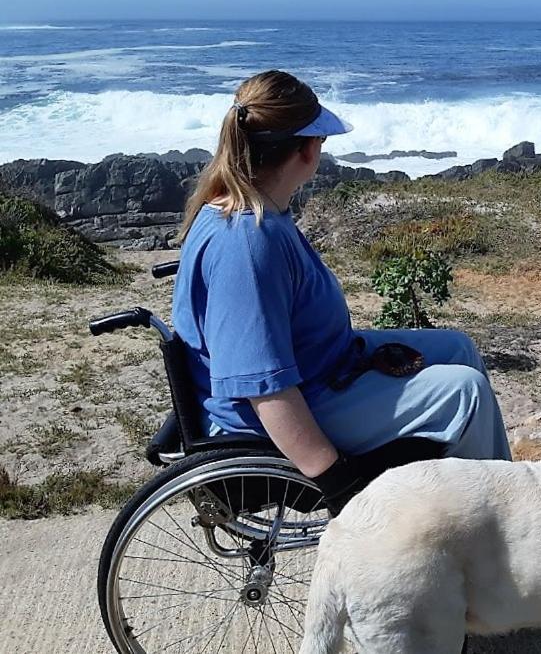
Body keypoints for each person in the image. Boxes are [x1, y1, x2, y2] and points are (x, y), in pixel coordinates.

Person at [172, 70, 511, 507]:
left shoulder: (256, 211)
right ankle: (495, 527)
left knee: (458, 348)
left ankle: (480, 498)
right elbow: (265, 389)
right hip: (285, 410)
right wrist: (334, 478)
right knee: (466, 393)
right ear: (309, 149)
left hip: (320, 369)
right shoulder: (247, 243)